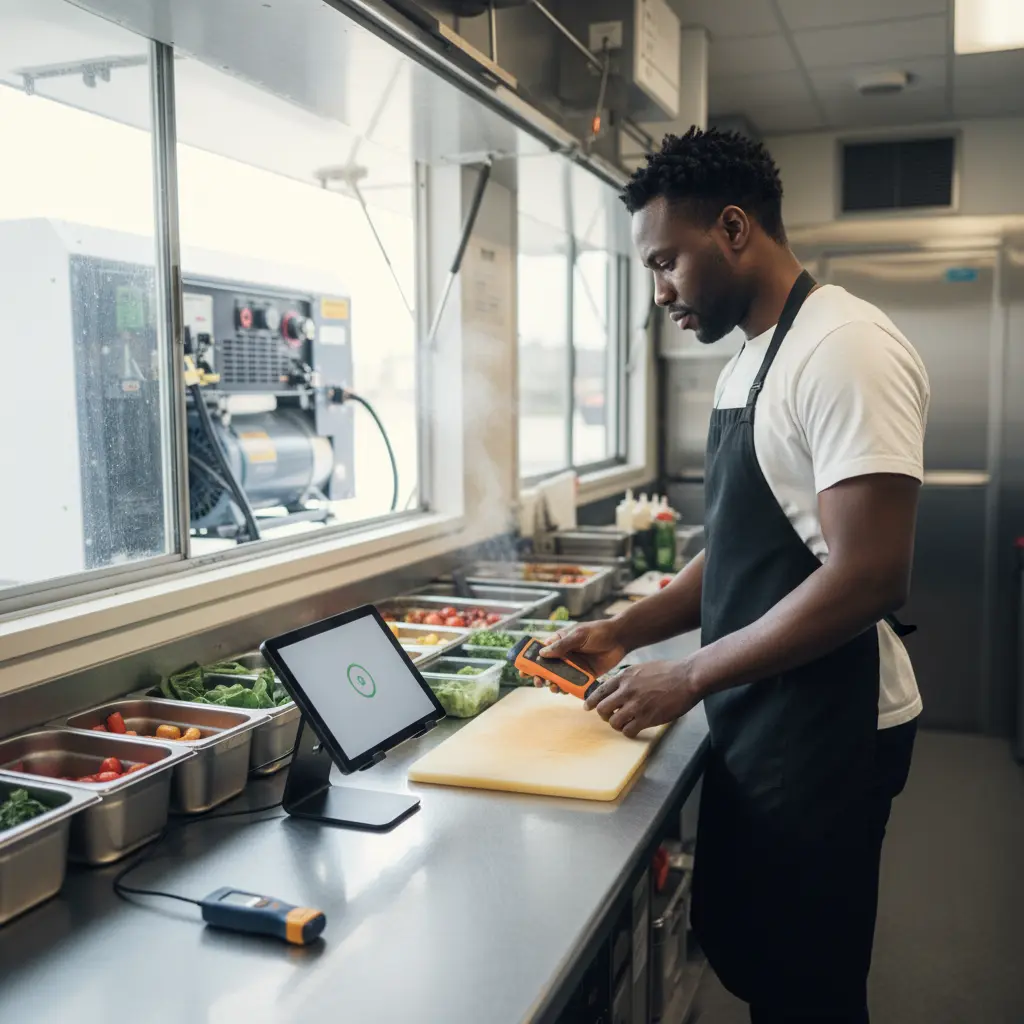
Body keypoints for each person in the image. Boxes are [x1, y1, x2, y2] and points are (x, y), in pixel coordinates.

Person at [541, 127, 928, 1023]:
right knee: (761, 961)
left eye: (666, 261)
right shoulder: (749, 360)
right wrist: (623, 631)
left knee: (811, 992)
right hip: (766, 704)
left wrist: (691, 673)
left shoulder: (845, 350)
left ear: (733, 227)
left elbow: (870, 575)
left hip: (835, 722)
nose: (660, 290)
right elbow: (748, 542)